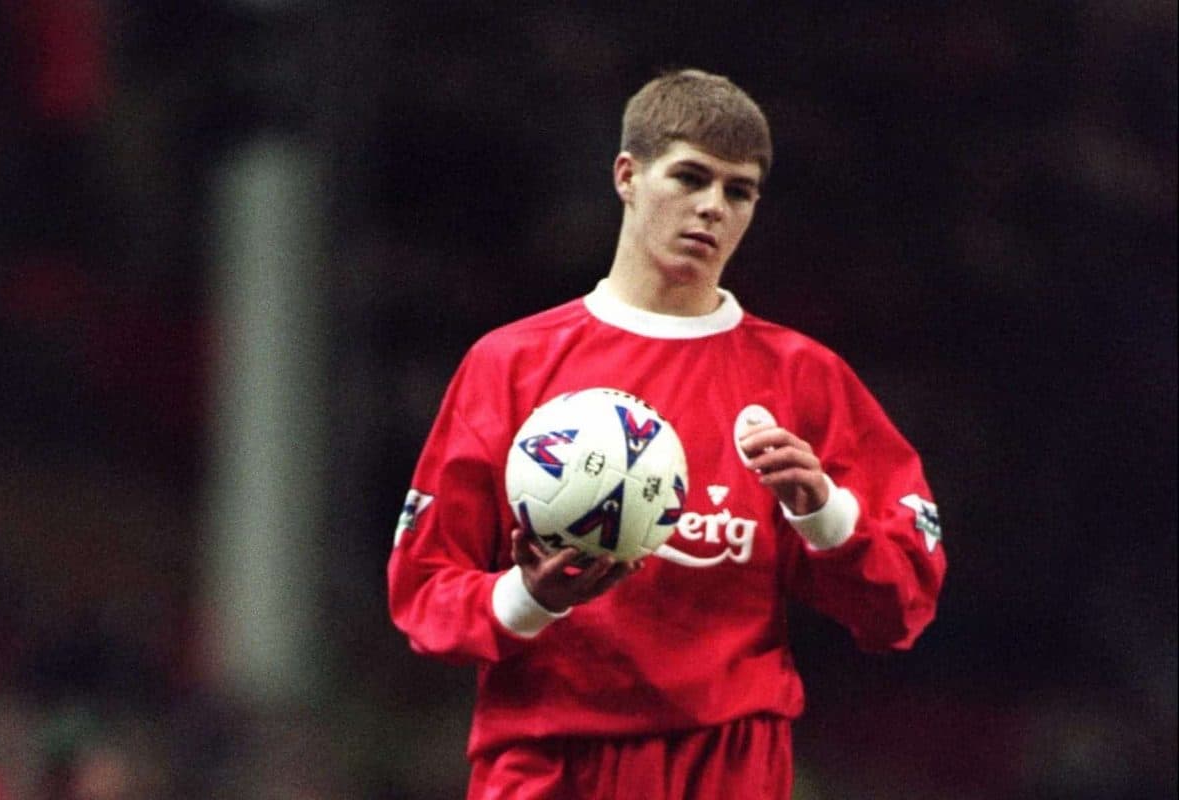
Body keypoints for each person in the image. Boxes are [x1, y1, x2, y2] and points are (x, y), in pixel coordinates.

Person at [388, 68, 946, 799]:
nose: (712, 207)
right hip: (551, 760)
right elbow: (424, 592)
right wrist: (530, 597)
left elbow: (901, 605)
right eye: (690, 177)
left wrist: (824, 512)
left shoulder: (802, 379)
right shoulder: (511, 366)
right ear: (627, 174)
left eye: (738, 191)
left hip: (729, 763)